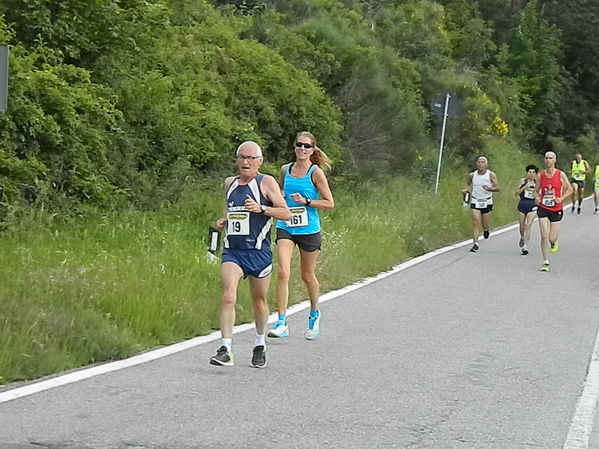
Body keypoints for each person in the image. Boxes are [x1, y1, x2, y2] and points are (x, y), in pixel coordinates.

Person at [209, 141, 291, 368]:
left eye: (250, 158)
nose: (245, 162)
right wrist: (224, 220)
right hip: (233, 251)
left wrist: (261, 209)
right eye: (241, 157)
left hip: (258, 252)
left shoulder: (266, 182)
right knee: (228, 295)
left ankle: (259, 343)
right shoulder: (229, 183)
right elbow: (229, 209)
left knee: (259, 301)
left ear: (259, 161)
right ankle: (225, 348)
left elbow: (285, 213)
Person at [268, 132, 335, 341]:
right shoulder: (285, 170)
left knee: (307, 275)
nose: (303, 149)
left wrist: (307, 201)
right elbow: (277, 192)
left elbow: (329, 203)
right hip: (286, 225)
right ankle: (281, 322)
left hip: (308, 229)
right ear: (294, 147)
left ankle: (314, 313)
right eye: (299, 145)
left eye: (307, 146)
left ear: (313, 150)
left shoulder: (316, 173)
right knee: (283, 272)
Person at [534, 151, 573, 272]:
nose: (548, 160)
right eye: (546, 158)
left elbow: (570, 189)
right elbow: (535, 190)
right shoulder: (541, 175)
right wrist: (537, 197)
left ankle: (554, 242)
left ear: (554, 160)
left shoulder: (560, 175)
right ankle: (546, 262)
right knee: (543, 235)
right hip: (543, 208)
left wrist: (561, 198)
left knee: (551, 238)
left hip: (556, 208)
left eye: (550, 158)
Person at [462, 156, 500, 252]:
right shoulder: (472, 175)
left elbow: (498, 187)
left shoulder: (491, 174)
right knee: (475, 222)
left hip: (486, 201)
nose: (481, 164)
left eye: (483, 162)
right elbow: (467, 184)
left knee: (485, 224)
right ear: (476, 164)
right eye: (479, 162)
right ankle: (475, 243)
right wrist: (465, 190)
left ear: (486, 164)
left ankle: (486, 230)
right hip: (475, 200)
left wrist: (490, 188)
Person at [515, 164, 538, 255]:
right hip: (522, 204)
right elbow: (516, 193)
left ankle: (525, 247)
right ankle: (522, 237)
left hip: (532, 205)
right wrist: (525, 187)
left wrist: (535, 193)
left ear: (536, 174)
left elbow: (540, 195)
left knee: (528, 226)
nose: (531, 174)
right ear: (526, 173)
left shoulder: (538, 183)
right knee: (522, 227)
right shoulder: (522, 181)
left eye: (533, 172)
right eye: (529, 172)